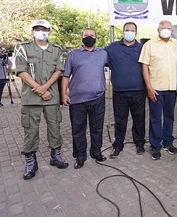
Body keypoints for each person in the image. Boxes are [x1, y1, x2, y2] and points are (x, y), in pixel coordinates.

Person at [15, 20, 68, 180]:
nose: (40, 32)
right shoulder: (23, 48)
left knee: (54, 127)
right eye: (37, 29)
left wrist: (45, 87)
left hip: (51, 97)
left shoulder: (57, 50)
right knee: (30, 130)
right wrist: (39, 89)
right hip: (31, 98)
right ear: (33, 32)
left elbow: (59, 71)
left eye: (44, 29)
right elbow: (21, 71)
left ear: (49, 31)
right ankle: (31, 160)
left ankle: (55, 155)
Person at [62, 28, 108, 169]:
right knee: (78, 129)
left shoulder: (103, 54)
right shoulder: (72, 55)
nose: (89, 37)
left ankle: (96, 152)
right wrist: (64, 94)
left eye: (92, 35)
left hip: (98, 98)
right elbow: (65, 76)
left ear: (96, 38)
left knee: (97, 128)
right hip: (77, 99)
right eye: (86, 35)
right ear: (81, 38)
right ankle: (80, 155)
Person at [139, 20, 177, 160]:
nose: (166, 30)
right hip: (156, 88)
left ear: (172, 31)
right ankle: (155, 145)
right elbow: (144, 66)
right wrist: (149, 87)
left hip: (172, 88)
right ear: (158, 30)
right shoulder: (149, 44)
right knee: (155, 118)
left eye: (169, 28)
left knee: (169, 117)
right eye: (163, 28)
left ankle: (168, 142)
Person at [105, 22, 147, 157]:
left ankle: (140, 143)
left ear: (136, 32)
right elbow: (98, 57)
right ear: (122, 31)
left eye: (132, 30)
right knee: (120, 120)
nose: (129, 32)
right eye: (127, 30)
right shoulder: (112, 48)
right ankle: (118, 145)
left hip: (139, 91)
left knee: (139, 119)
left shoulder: (143, 48)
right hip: (119, 92)